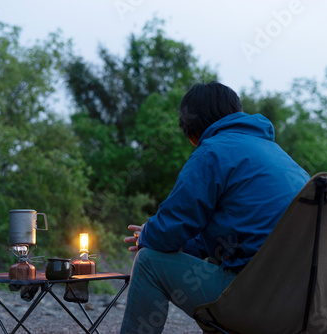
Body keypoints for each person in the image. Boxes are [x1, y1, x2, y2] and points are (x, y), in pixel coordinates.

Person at [120, 82, 310, 334]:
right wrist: (174, 241)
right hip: (305, 303)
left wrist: (148, 235)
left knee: (148, 261)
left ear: (193, 132)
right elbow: (242, 231)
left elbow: (172, 225)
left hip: (258, 303)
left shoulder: (212, 151)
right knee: (219, 262)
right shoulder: (277, 154)